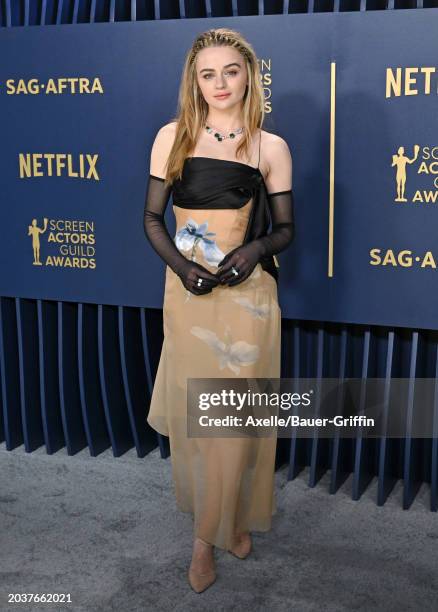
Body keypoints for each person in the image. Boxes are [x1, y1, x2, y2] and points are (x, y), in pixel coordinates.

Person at [143, 27, 294, 593]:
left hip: (248, 301)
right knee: (204, 428)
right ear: (195, 81)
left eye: (231, 71)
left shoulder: (269, 146)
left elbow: (284, 230)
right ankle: (220, 528)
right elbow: (152, 220)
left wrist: (252, 253)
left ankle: (207, 539)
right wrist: (185, 272)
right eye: (208, 74)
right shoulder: (171, 137)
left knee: (232, 424)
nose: (220, 83)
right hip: (187, 297)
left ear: (249, 75)